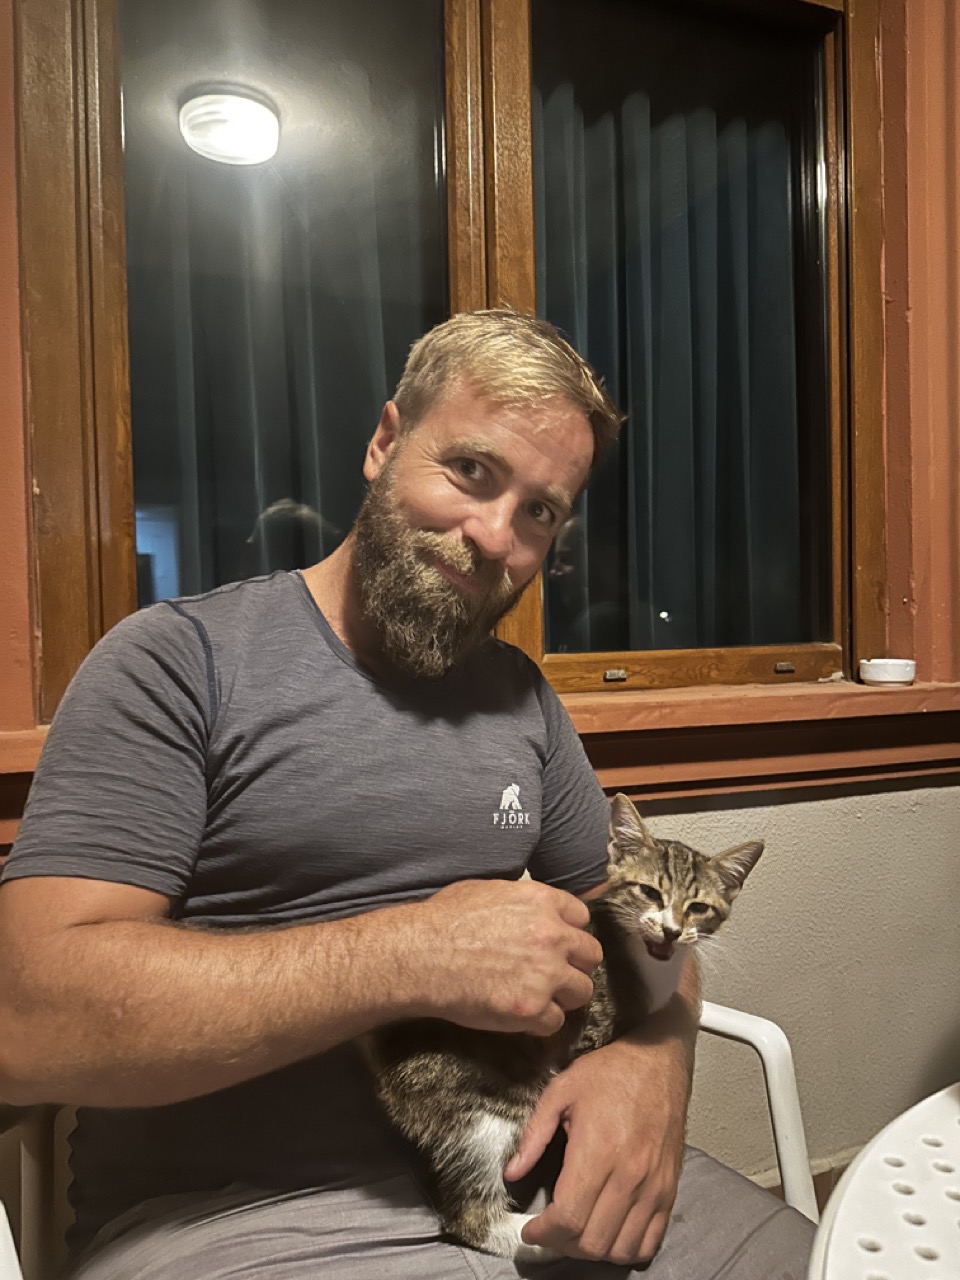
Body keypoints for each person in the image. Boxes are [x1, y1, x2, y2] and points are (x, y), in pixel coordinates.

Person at [0, 310, 814, 1279]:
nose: (494, 536)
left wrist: (656, 1061)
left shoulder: (522, 699)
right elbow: (26, 1018)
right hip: (242, 1219)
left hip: (536, 1171)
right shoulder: (176, 663)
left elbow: (640, 928)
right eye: (470, 470)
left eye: (540, 512)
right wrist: (407, 956)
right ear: (385, 441)